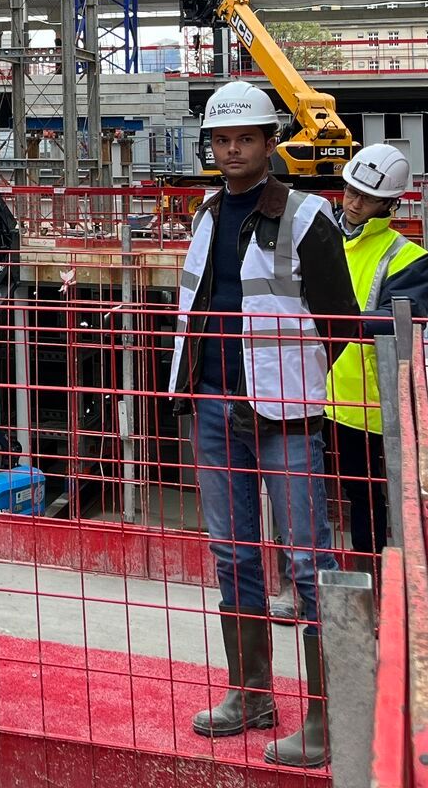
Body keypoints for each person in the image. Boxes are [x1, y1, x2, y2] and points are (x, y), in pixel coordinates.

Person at [173, 80, 356, 768]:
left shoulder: (308, 215)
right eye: (222, 140)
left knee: (310, 561)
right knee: (234, 555)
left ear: (269, 143)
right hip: (217, 407)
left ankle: (332, 714)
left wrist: (294, 379)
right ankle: (250, 692)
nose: (231, 151)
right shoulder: (208, 213)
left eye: (245, 138)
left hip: (285, 415)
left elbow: (338, 320)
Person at [324, 143, 428, 561]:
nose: (353, 202)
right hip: (310, 391)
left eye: (366, 197)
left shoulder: (406, 257)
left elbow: (400, 320)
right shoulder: (321, 236)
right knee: (307, 489)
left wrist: (331, 318)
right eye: (350, 191)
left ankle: (372, 575)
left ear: (388, 203)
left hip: (363, 403)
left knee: (365, 499)